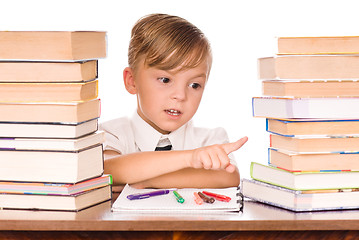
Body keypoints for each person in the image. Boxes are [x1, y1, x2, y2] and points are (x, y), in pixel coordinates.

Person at [100, 13, 248, 189]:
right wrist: (190, 158)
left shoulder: (209, 139)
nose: (180, 95)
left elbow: (228, 177)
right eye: (165, 80)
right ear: (132, 81)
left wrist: (147, 181)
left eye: (194, 85)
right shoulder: (111, 134)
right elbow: (110, 169)